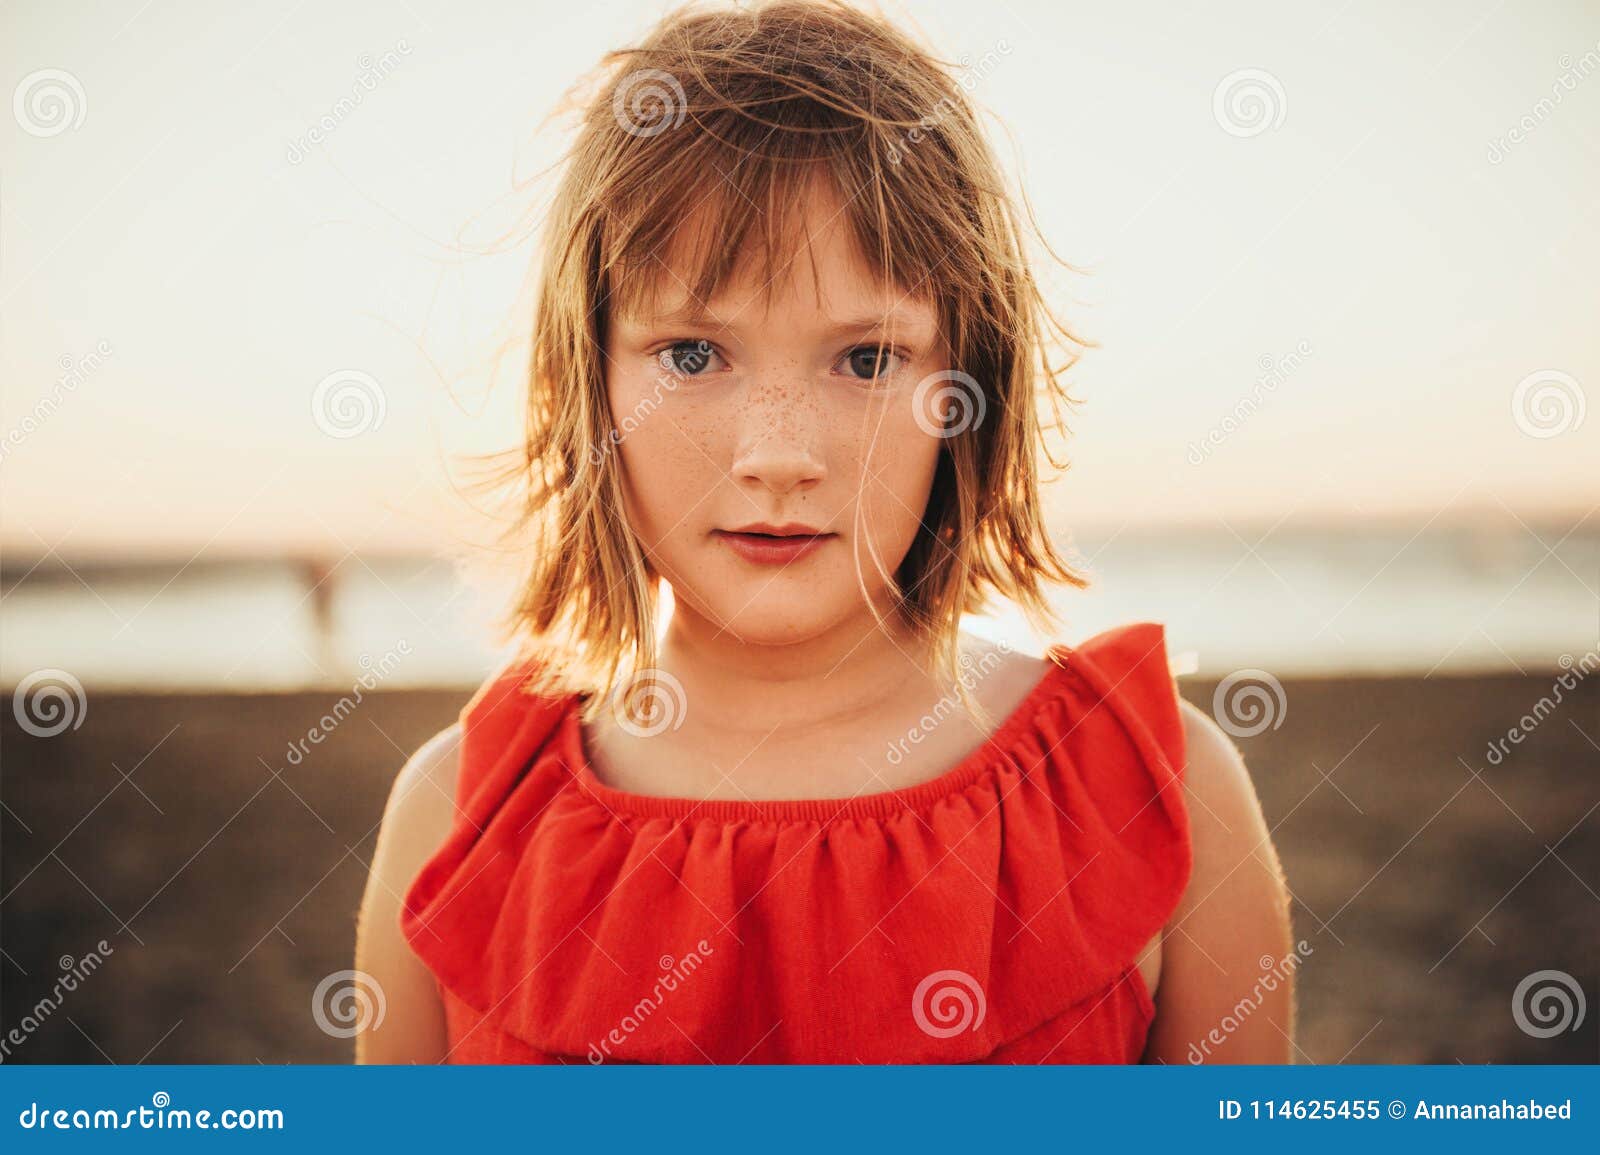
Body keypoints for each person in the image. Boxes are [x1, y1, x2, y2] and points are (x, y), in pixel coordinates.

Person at [355, 0, 1292, 1064]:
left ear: (966, 385)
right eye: (693, 356)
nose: (778, 454)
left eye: (865, 360)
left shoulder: (1158, 796)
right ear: (588, 384)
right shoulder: (456, 818)